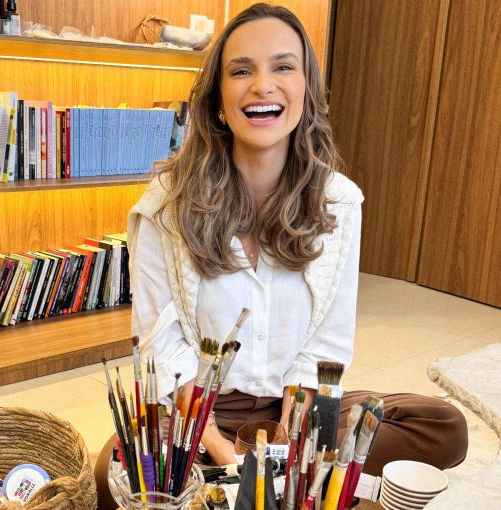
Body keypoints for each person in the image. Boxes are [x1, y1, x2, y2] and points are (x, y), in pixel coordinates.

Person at [94, 3, 467, 508]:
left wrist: (288, 445)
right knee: (110, 474)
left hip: (297, 412)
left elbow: (328, 341)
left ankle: (278, 480)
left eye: (283, 67)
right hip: (199, 417)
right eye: (241, 70)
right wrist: (223, 452)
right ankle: (284, 484)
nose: (262, 85)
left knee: (442, 425)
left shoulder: (340, 202)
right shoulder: (166, 205)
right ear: (218, 100)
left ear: (306, 90)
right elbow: (162, 348)